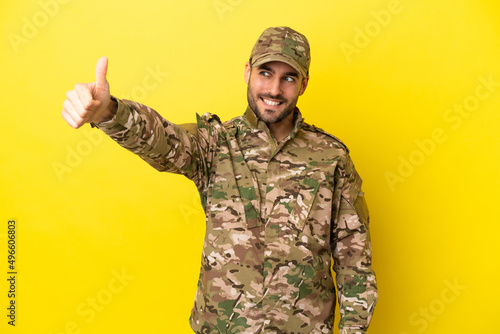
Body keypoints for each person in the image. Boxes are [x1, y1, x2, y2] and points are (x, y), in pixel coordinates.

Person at [61, 26, 377, 334]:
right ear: (247, 72)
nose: (275, 90)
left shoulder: (331, 156)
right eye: (265, 73)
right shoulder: (215, 144)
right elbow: (163, 141)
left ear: (303, 84)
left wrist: (353, 329)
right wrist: (110, 112)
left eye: (289, 78)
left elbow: (354, 258)